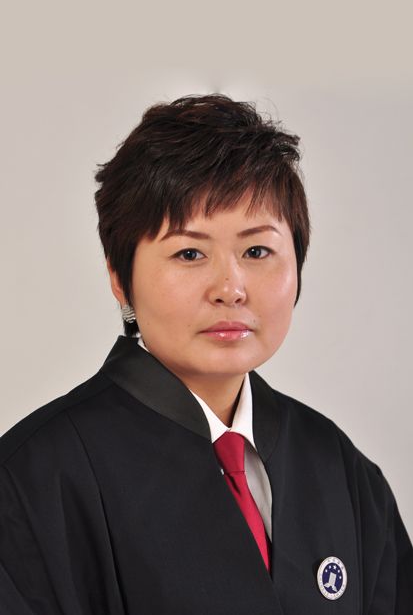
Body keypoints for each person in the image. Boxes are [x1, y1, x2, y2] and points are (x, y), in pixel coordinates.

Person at [0, 94, 411, 615]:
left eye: (257, 251)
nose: (230, 289)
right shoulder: (32, 479)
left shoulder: (340, 469)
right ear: (120, 278)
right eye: (189, 253)